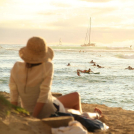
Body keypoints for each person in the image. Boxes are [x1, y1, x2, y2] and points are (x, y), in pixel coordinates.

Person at [9, 36, 102, 119]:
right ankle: (96, 115)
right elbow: (43, 97)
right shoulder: (47, 66)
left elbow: (14, 97)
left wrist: (17, 116)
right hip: (49, 111)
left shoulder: (16, 67)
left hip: (33, 108)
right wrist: (34, 118)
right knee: (79, 113)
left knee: (75, 96)